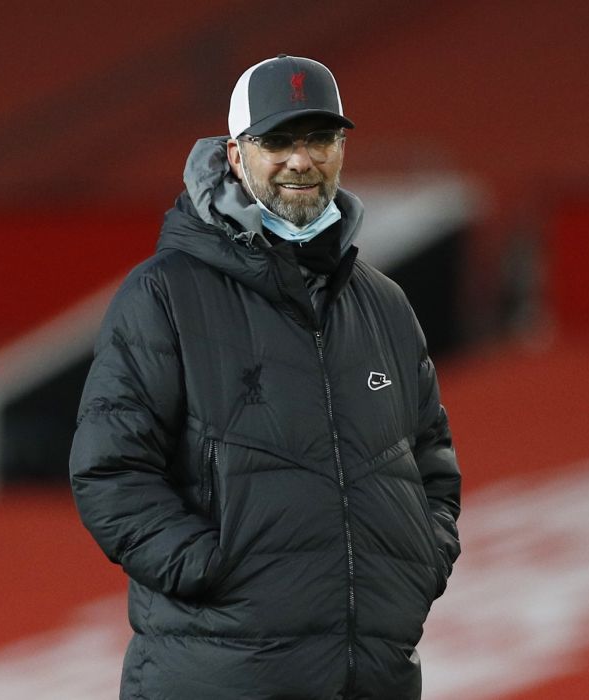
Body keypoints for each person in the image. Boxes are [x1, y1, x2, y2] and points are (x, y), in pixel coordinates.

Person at [69, 54, 462, 699]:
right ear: (233, 155)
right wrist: (212, 570)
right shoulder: (163, 295)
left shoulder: (384, 304)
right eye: (276, 140)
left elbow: (429, 460)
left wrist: (424, 557)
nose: (300, 161)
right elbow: (109, 471)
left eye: (318, 139)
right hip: (217, 677)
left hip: (373, 678)